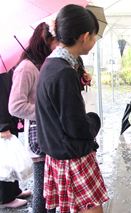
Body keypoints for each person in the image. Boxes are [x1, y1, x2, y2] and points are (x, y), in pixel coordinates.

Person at [36, 4, 109, 213]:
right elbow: (77, 127)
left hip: (58, 152)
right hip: (73, 155)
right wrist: (94, 117)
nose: (94, 41)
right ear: (84, 37)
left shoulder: (53, 64)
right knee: (92, 210)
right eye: (94, 36)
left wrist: (79, 78)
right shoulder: (63, 72)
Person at [8, 22, 57, 213]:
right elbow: (15, 106)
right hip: (38, 135)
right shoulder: (26, 67)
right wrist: (46, 111)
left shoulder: (43, 63)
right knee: (42, 191)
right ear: (46, 41)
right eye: (56, 41)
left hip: (49, 132)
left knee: (51, 190)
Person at [0, 69, 31, 208]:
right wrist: (2, 125)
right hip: (3, 120)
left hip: (8, 117)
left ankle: (14, 191)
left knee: (11, 157)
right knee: (5, 160)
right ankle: (5, 198)